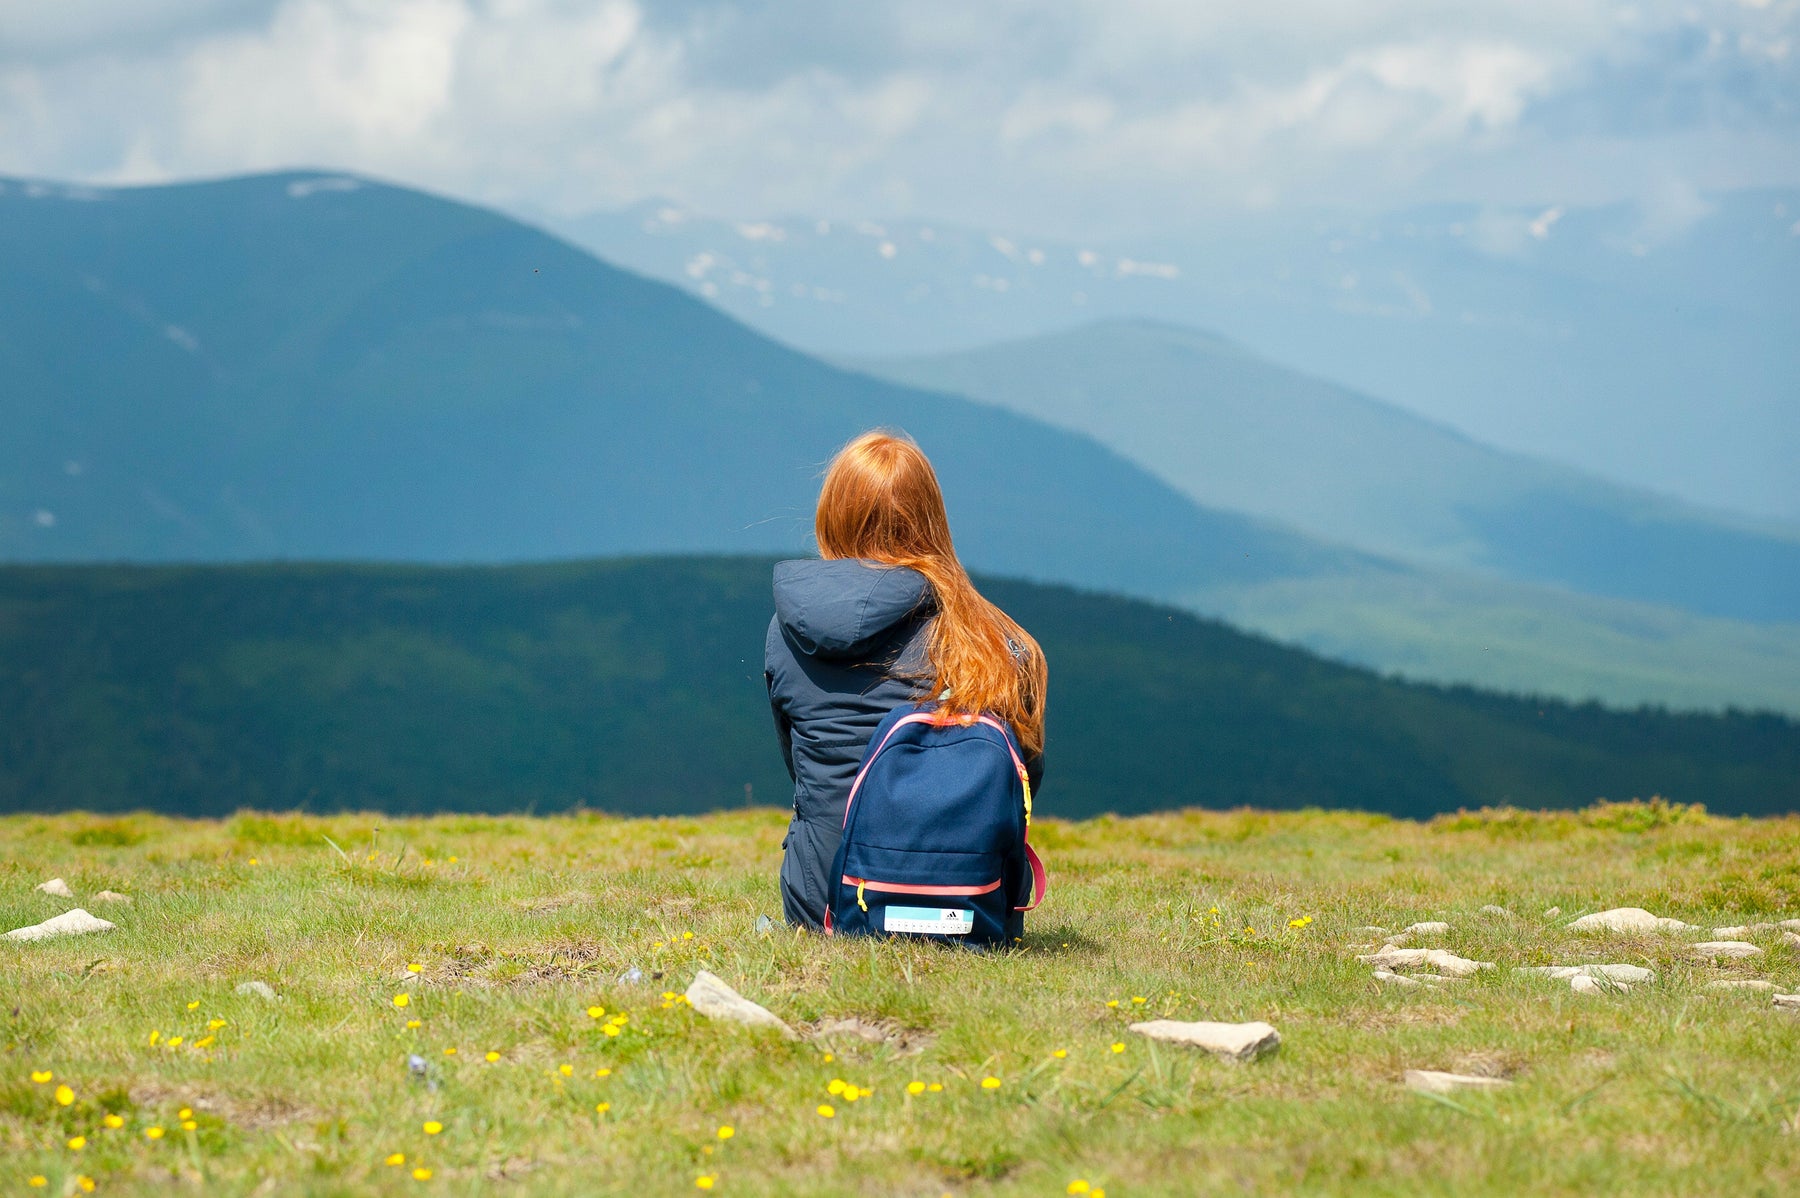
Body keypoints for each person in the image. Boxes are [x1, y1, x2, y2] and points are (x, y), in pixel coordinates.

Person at [764, 430, 1048, 930]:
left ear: (832, 515)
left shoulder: (788, 632)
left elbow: (801, 772)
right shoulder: (990, 638)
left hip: (824, 903)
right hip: (965, 904)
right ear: (931, 518)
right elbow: (1022, 780)